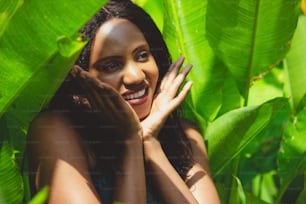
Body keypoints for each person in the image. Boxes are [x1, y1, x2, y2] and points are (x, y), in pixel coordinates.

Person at [26, 0, 220, 203]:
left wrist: (149, 143)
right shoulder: (54, 131)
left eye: (142, 55)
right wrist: (131, 142)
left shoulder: (185, 136)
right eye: (111, 65)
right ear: (79, 80)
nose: (135, 76)